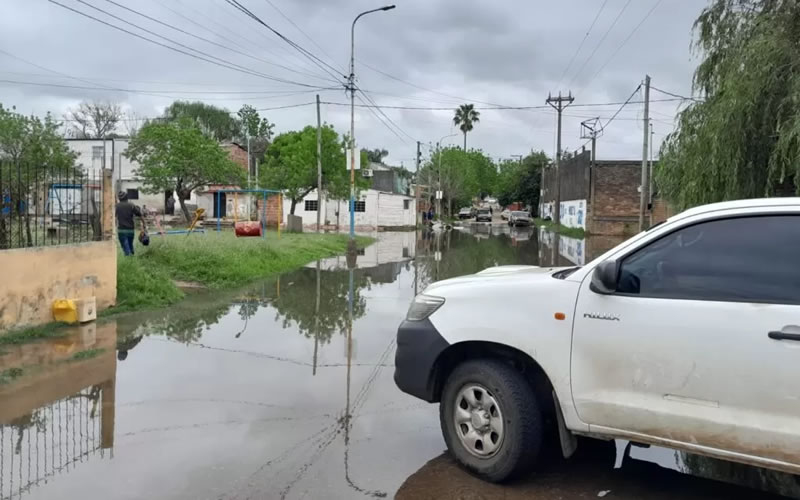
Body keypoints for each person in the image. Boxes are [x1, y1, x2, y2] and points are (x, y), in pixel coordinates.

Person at [116, 191, 145, 256]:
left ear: (119, 198)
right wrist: (144, 225)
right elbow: (140, 215)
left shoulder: (117, 206)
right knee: (130, 245)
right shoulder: (131, 205)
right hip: (130, 230)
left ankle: (129, 259)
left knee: (125, 247)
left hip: (121, 230)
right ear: (127, 198)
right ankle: (132, 259)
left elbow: (112, 217)